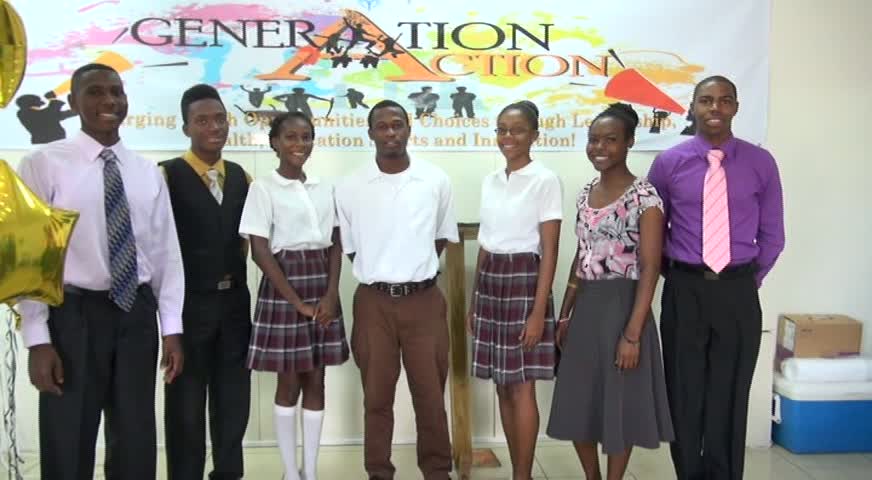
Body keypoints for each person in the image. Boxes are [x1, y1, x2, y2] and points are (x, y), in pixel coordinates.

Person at [17, 63, 184, 480]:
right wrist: (38, 338)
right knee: (68, 436)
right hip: (73, 317)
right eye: (94, 92)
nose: (108, 101)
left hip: (136, 316)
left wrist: (172, 328)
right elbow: (31, 258)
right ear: (73, 103)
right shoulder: (43, 164)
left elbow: (166, 255)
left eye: (116, 92)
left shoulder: (147, 173)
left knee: (135, 438)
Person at [647, 75, 785, 480]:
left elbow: (773, 235)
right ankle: (689, 473)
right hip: (684, 290)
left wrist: (744, 281)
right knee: (684, 393)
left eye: (725, 101)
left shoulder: (761, 163)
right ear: (692, 107)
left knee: (730, 393)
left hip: (738, 292)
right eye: (706, 100)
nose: (715, 109)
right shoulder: (668, 163)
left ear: (736, 108)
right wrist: (679, 276)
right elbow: (654, 235)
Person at [547, 103, 674, 480]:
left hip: (624, 307)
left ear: (629, 142)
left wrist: (632, 335)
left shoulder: (646, 197)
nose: (599, 147)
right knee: (577, 401)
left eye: (610, 140)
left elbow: (651, 267)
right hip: (586, 307)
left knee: (620, 403)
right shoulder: (585, 193)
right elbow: (581, 255)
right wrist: (567, 310)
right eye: (593, 140)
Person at [335, 100, 459, 480]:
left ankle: (437, 471)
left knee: (430, 398)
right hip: (374, 304)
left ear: (409, 129)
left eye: (397, 125)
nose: (391, 133)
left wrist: (412, 273)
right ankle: (378, 472)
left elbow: (440, 238)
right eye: (382, 126)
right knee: (376, 398)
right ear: (370, 132)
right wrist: (387, 275)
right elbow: (351, 246)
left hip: (424, 302)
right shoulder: (350, 186)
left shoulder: (435, 180)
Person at [240, 112, 349, 480]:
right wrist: (296, 303)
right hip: (284, 287)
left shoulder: (324, 187)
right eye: (290, 137)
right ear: (274, 142)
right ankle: (290, 471)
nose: (299, 144)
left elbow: (335, 243)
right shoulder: (263, 188)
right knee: (288, 381)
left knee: (316, 380)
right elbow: (260, 251)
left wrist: (331, 294)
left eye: (306, 137)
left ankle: (311, 471)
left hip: (321, 281)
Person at [161, 84, 252, 480]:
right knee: (185, 404)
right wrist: (169, 327)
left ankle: (229, 474)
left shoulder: (242, 177)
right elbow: (157, 247)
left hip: (234, 305)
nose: (213, 127)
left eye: (219, 119)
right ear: (186, 128)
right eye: (202, 120)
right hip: (188, 307)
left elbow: (246, 243)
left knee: (233, 402)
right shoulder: (166, 176)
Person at [467, 100, 560, 480]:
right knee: (503, 385)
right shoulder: (491, 180)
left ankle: (523, 474)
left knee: (522, 386)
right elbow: (486, 244)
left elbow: (549, 250)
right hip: (491, 283)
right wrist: (474, 301)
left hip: (525, 281)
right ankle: (517, 469)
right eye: (502, 129)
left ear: (534, 135)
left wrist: (538, 312)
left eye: (518, 130)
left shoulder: (545, 179)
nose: (508, 137)